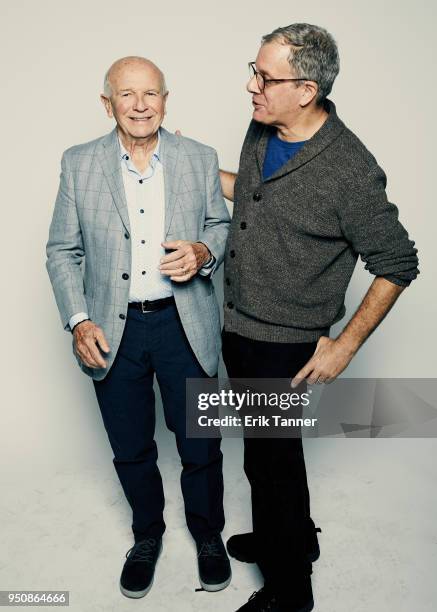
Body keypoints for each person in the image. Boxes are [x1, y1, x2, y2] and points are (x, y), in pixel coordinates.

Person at [219, 24, 419, 612]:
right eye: (253, 69)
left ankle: (289, 593)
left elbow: (397, 261)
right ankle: (295, 541)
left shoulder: (350, 169)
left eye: (264, 76)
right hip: (240, 324)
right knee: (268, 453)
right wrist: (189, 170)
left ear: (305, 89)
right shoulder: (264, 129)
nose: (250, 85)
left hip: (285, 344)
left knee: (272, 461)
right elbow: (257, 198)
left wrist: (346, 345)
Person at [46, 56, 231, 599]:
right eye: (128, 94)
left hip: (184, 323)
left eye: (150, 93)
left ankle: (208, 536)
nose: (141, 104)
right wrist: (79, 321)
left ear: (166, 100)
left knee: (201, 442)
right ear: (109, 104)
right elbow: (62, 250)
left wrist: (203, 252)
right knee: (130, 445)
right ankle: (147, 535)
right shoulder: (79, 163)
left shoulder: (200, 158)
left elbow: (220, 226)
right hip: (113, 330)